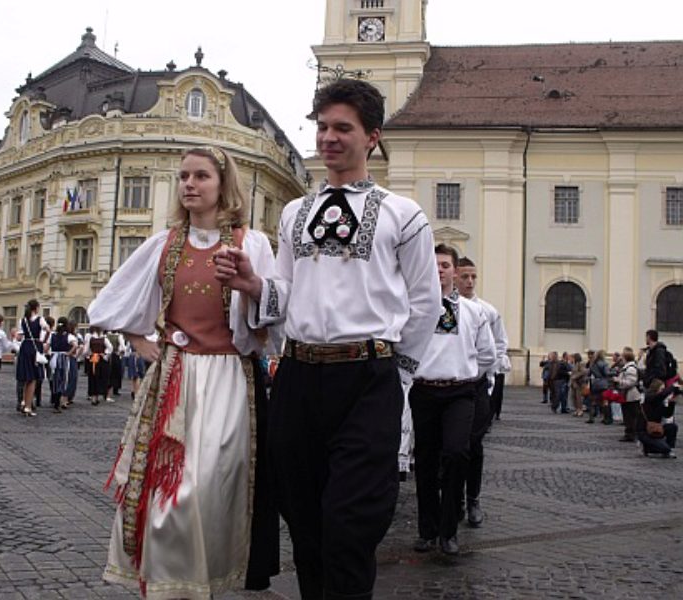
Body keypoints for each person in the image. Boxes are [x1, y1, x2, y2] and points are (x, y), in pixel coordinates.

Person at [215, 79, 443, 599]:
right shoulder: (296, 213)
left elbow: (425, 302)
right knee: (304, 521)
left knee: (350, 525)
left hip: (367, 377)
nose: (329, 138)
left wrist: (398, 375)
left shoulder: (402, 214)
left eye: (343, 127)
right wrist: (254, 285)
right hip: (298, 377)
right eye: (322, 127)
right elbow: (290, 291)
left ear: (372, 138)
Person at [89, 145, 282, 599]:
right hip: (176, 377)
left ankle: (205, 577)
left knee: (209, 487)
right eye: (183, 177)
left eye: (200, 176)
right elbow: (111, 303)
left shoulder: (250, 243)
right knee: (167, 490)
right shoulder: (164, 244)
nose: (189, 185)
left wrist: (251, 288)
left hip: (229, 380)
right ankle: (168, 585)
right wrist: (140, 340)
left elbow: (274, 314)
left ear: (222, 184)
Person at [409, 245, 495, 555]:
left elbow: (487, 353)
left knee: (458, 453)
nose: (440, 270)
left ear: (454, 272)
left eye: (445, 265)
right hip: (425, 391)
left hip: (460, 391)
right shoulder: (416, 307)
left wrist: (468, 373)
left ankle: (449, 531)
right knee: (427, 462)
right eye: (435, 265)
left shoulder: (474, 312)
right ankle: (428, 530)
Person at [455, 256, 509, 528]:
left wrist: (482, 376)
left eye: (473, 277)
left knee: (474, 445)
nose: (470, 282)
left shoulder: (487, 311)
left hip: (477, 387)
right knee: (452, 448)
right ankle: (455, 502)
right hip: (450, 387)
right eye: (464, 276)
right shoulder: (444, 307)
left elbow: (499, 346)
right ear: (455, 277)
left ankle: (473, 498)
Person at [16, 299, 49, 417]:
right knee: (33, 378)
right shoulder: (40, 319)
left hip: (25, 347)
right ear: (37, 308)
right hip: (35, 347)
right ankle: (28, 406)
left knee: (25, 377)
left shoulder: (23, 320)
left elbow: (19, 337)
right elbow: (48, 329)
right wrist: (44, 341)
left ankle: (24, 402)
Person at [637, 379, 681, 457]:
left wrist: (671, 403)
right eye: (661, 389)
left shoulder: (660, 401)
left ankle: (667, 448)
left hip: (657, 428)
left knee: (672, 427)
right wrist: (672, 387)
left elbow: (667, 414)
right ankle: (647, 447)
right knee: (664, 449)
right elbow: (660, 396)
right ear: (656, 388)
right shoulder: (649, 397)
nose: (663, 391)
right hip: (644, 431)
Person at [49, 317, 79, 412]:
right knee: (63, 379)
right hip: (63, 358)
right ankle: (59, 402)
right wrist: (69, 353)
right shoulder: (68, 336)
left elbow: (46, 346)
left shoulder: (52, 335)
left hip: (54, 357)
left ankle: (56, 400)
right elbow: (75, 345)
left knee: (55, 379)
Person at [613, 346, 642, 442]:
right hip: (628, 395)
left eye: (622, 356)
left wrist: (618, 381)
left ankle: (631, 434)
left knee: (631, 416)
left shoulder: (630, 369)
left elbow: (630, 382)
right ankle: (630, 433)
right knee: (628, 415)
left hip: (631, 396)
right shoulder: (627, 368)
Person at [83, 326, 112, 405]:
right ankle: (97, 396)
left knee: (93, 378)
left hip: (93, 360)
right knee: (100, 378)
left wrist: (89, 355)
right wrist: (104, 354)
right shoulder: (104, 339)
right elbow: (110, 348)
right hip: (101, 360)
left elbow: (85, 351)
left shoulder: (90, 338)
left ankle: (93, 397)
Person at [587, 350, 613, 424]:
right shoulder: (604, 364)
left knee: (593, 401)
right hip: (603, 384)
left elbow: (588, 373)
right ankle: (607, 419)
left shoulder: (592, 364)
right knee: (605, 401)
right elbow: (606, 373)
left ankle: (591, 418)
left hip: (595, 384)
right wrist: (614, 372)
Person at [106, 330, 126, 402]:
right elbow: (123, 347)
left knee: (108, 374)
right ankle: (110, 394)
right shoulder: (119, 336)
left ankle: (106, 393)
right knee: (114, 375)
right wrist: (121, 353)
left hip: (107, 356)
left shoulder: (106, 336)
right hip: (115, 356)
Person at [569, 353, 588, 417]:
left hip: (579, 383)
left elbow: (583, 372)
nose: (571, 359)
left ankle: (580, 410)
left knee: (579, 397)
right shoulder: (574, 364)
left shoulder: (581, 364)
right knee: (573, 397)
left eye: (572, 358)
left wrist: (575, 376)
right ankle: (577, 409)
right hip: (574, 383)